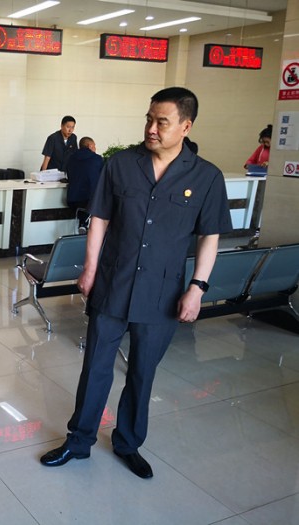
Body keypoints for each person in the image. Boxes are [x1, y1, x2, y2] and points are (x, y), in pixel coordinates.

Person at [39, 87, 232, 479]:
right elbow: (100, 218)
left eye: (162, 122)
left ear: (186, 126)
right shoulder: (121, 164)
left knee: (143, 373)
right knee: (96, 367)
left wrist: (197, 288)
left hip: (162, 294)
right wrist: (90, 268)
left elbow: (209, 236)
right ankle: (79, 441)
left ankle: (127, 443)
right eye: (149, 119)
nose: (151, 129)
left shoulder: (207, 176)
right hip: (113, 283)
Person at [65, 136, 104, 233]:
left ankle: (83, 223)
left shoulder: (71, 158)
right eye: (94, 146)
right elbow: (103, 178)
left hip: (72, 200)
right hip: (90, 200)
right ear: (90, 146)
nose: (95, 148)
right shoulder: (97, 159)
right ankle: (85, 224)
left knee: (84, 205)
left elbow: (69, 176)